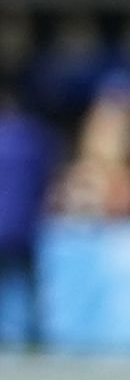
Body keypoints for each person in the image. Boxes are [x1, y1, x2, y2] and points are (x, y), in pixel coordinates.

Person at [0, 86, 59, 351]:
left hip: (7, 224)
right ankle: (36, 336)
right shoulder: (35, 136)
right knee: (30, 283)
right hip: (24, 225)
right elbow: (49, 177)